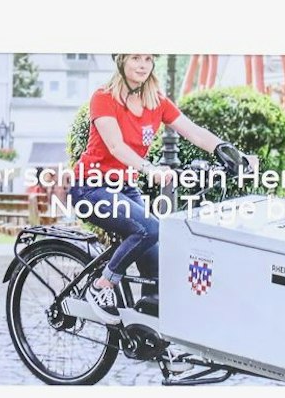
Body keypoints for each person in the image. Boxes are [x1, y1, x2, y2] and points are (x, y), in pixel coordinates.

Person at [71, 54, 247, 315]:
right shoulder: (103, 98)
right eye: (135, 58)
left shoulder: (156, 101)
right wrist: (149, 169)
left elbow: (194, 132)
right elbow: (115, 145)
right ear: (121, 61)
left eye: (148, 59)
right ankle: (102, 284)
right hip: (91, 187)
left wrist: (226, 151)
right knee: (148, 229)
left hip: (125, 187)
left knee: (155, 255)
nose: (142, 65)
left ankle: (148, 324)